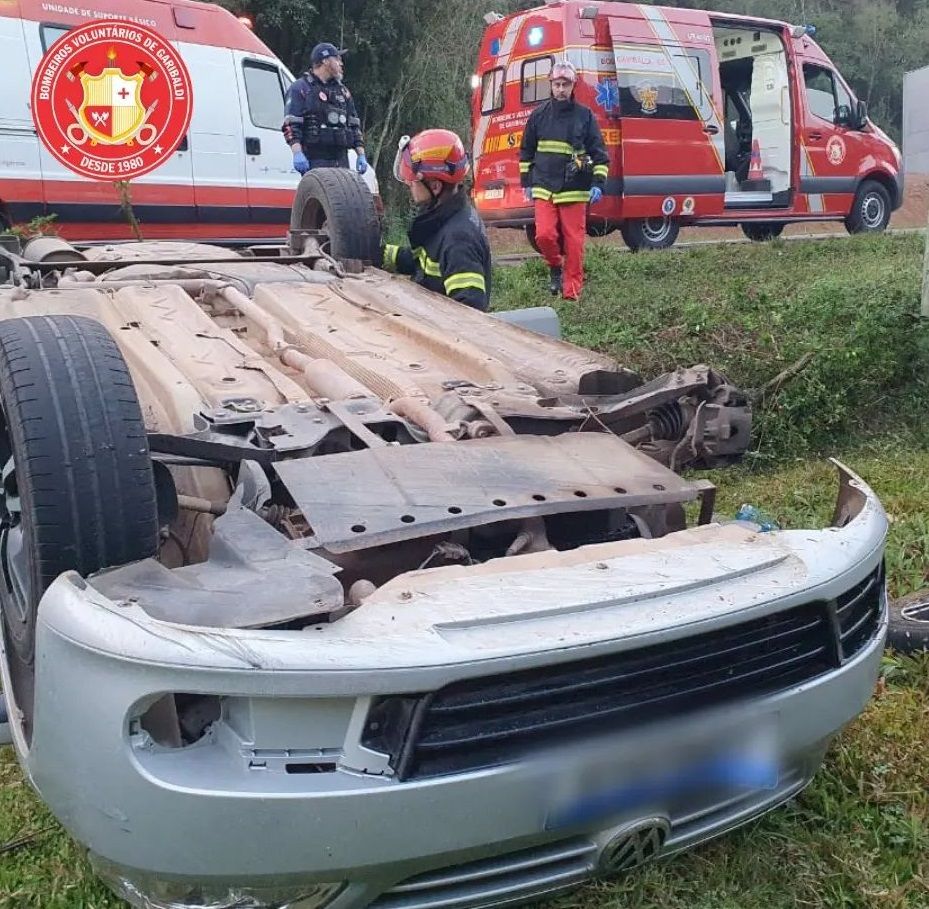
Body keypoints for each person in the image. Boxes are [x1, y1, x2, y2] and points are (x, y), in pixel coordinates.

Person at [519, 59, 609, 301]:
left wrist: (598, 184)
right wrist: (526, 181)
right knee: (544, 235)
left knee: (575, 244)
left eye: (565, 84)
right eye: (557, 84)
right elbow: (526, 150)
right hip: (544, 187)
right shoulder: (538, 116)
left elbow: (600, 154)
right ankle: (555, 265)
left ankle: (571, 294)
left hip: (574, 189)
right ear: (551, 84)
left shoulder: (585, 116)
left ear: (573, 85)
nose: (561, 88)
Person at [380, 129, 491, 312]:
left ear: (435, 186)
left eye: (413, 181)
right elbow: (429, 263)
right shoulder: (445, 219)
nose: (409, 185)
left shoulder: (458, 240)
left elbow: (470, 314)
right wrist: (382, 255)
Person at [282, 42, 368, 176]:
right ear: (326, 61)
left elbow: (354, 125)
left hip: (341, 160)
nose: (341, 63)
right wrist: (297, 153)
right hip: (314, 159)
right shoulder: (301, 88)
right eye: (337, 59)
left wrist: (361, 154)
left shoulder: (343, 92)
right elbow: (290, 125)